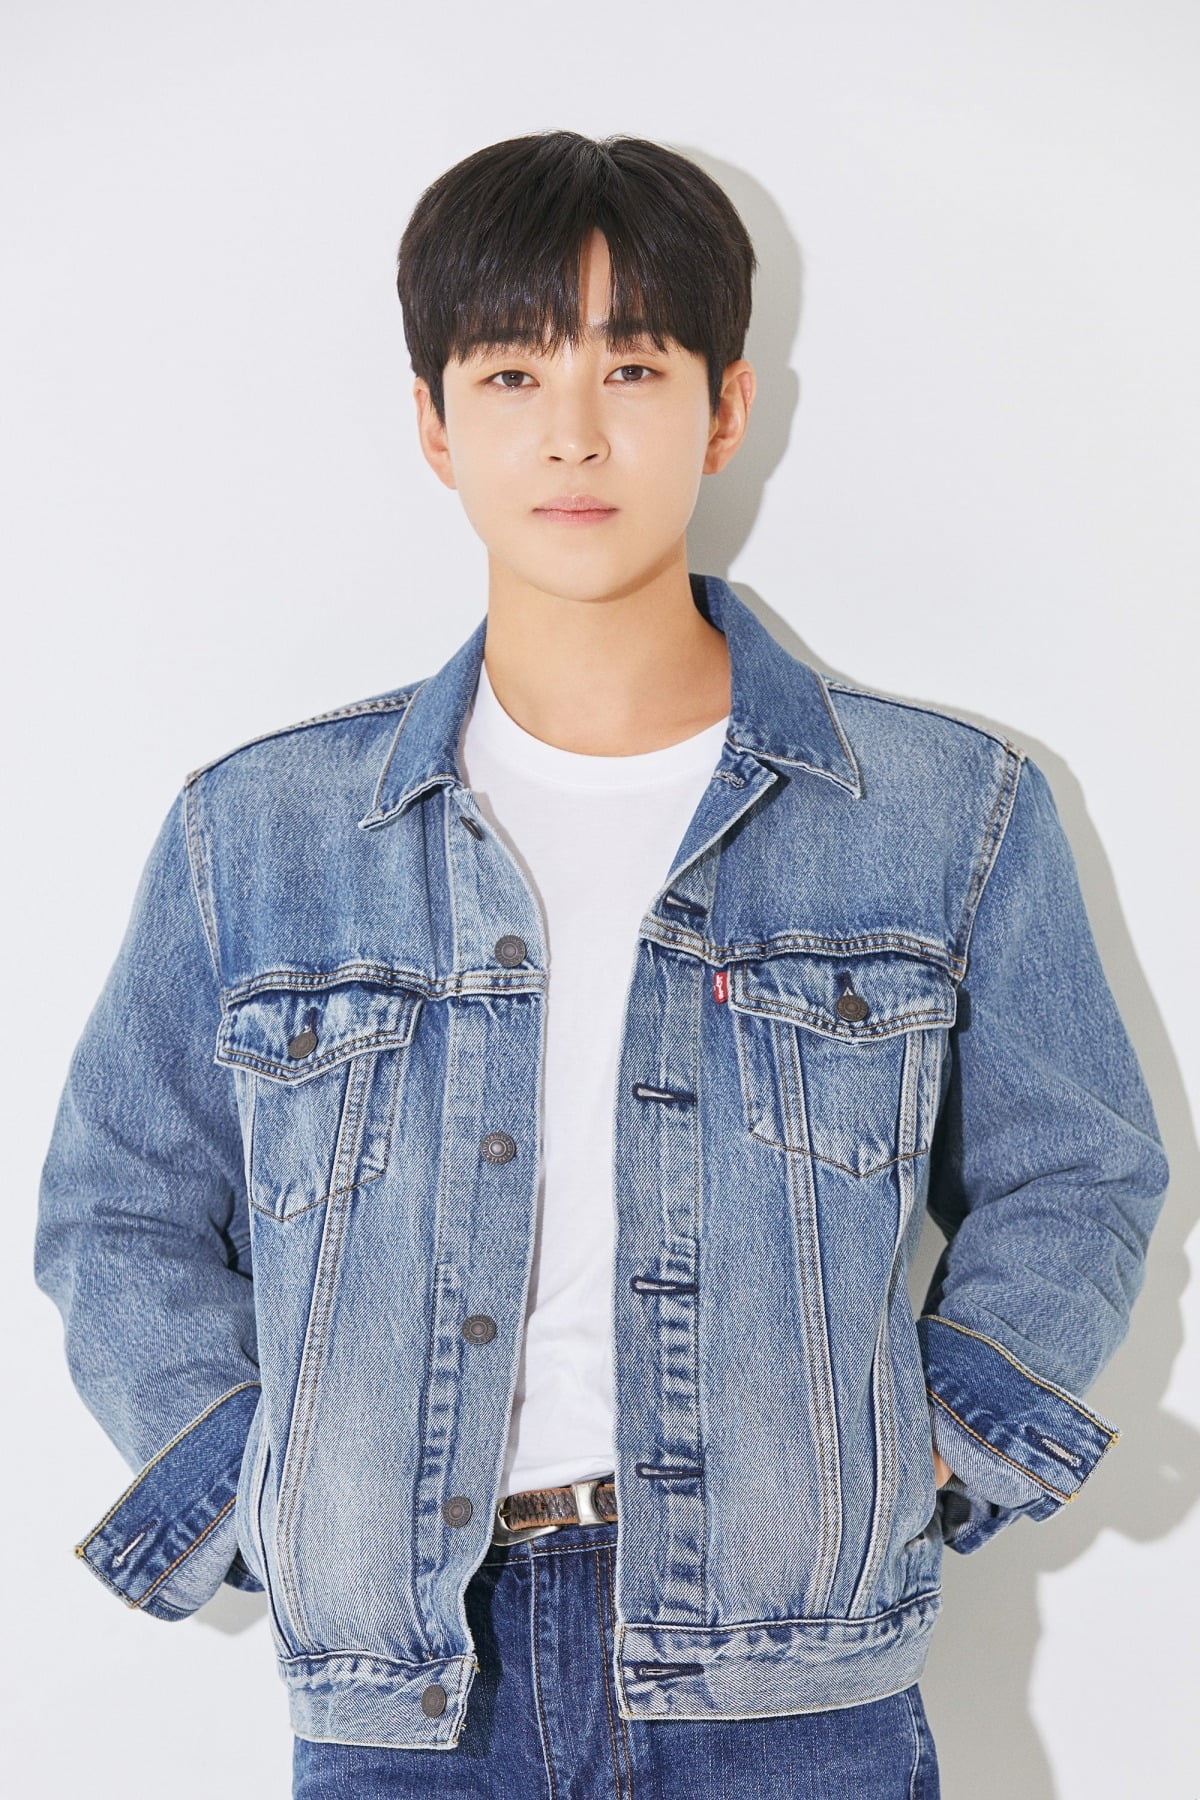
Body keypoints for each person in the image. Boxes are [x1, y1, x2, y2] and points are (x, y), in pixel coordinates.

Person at [34, 131, 1169, 1800]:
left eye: (632, 366)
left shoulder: (946, 811)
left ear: (725, 407)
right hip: (412, 1709)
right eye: (513, 372)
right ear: (434, 422)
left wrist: (927, 1444)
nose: (573, 430)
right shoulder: (259, 834)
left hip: (792, 1698)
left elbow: (1078, 1168)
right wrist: (263, 1486)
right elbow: (116, 1210)